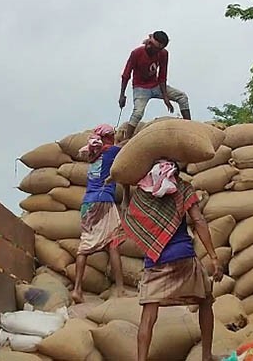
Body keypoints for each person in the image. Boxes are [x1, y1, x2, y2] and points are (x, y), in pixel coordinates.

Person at [120, 160, 223, 361]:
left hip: (155, 259)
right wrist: (213, 257)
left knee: (148, 315)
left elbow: (127, 214)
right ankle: (206, 356)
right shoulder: (182, 188)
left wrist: (125, 188)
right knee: (205, 301)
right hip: (183, 256)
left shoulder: (142, 194)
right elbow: (199, 221)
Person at [71, 124, 126, 303]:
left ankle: (77, 289)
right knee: (113, 244)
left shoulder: (93, 154)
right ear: (109, 137)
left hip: (87, 203)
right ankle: (120, 290)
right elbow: (130, 149)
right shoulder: (111, 152)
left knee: (85, 244)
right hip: (103, 201)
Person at [118, 31, 191, 139]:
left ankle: (189, 127)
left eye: (158, 48)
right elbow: (126, 75)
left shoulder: (163, 54)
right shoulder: (137, 53)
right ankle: (127, 139)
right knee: (138, 112)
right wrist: (122, 95)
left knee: (182, 97)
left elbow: (162, 76)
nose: (155, 50)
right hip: (140, 87)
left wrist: (166, 97)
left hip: (156, 85)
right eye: (154, 46)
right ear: (149, 43)